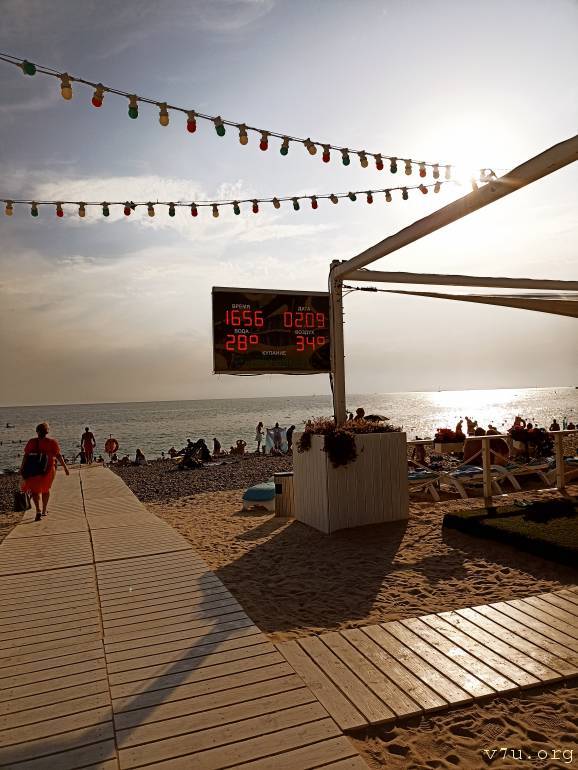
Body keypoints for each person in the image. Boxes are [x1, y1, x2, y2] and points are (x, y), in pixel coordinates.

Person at [20, 422, 69, 521]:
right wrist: (65, 467)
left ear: (37, 431)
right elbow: (58, 455)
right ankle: (44, 510)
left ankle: (38, 510)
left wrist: (22, 468)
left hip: (33, 469)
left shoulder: (31, 442)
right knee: (45, 490)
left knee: (35, 491)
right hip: (48, 469)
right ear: (47, 432)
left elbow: (26, 455)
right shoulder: (52, 442)